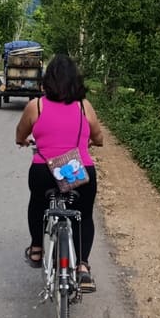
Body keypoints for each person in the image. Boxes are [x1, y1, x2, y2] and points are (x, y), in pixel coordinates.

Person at [15, 54, 103, 291]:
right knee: (83, 215)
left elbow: (20, 134)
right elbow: (99, 137)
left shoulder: (37, 105)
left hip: (44, 170)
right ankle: (82, 266)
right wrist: (93, 142)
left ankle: (36, 249)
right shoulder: (85, 106)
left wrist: (22, 141)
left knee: (37, 204)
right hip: (77, 169)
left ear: (47, 80)